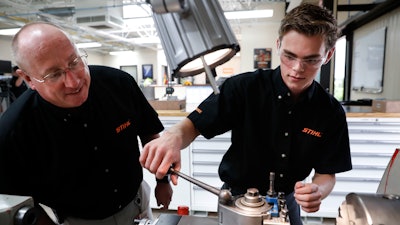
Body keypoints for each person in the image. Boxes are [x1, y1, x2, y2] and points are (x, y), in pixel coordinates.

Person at [140, 3, 352, 225]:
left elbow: (327, 173)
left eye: (310, 60)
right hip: (235, 201)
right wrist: (173, 137)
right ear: (278, 45)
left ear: (328, 55)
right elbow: (193, 125)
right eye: (289, 56)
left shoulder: (330, 112)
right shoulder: (244, 88)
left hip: (287, 203)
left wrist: (318, 190)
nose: (297, 68)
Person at [0, 21, 173, 225]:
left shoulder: (119, 84)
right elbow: (17, 200)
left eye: (74, 62)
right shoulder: (12, 132)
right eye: (54, 74)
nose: (74, 82)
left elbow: (150, 134)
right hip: (76, 219)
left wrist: (163, 181)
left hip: (137, 205)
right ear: (28, 79)